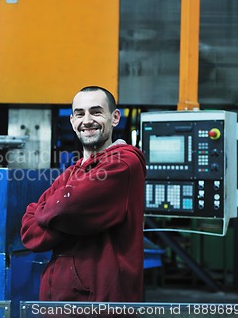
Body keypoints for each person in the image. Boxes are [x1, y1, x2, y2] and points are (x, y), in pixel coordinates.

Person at [20, 86, 146, 302]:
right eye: (80, 113)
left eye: (96, 112)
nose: (87, 120)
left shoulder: (124, 163)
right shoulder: (73, 172)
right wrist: (61, 216)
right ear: (72, 121)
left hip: (99, 305)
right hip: (60, 302)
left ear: (115, 117)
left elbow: (64, 209)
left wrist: (51, 214)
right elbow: (28, 231)